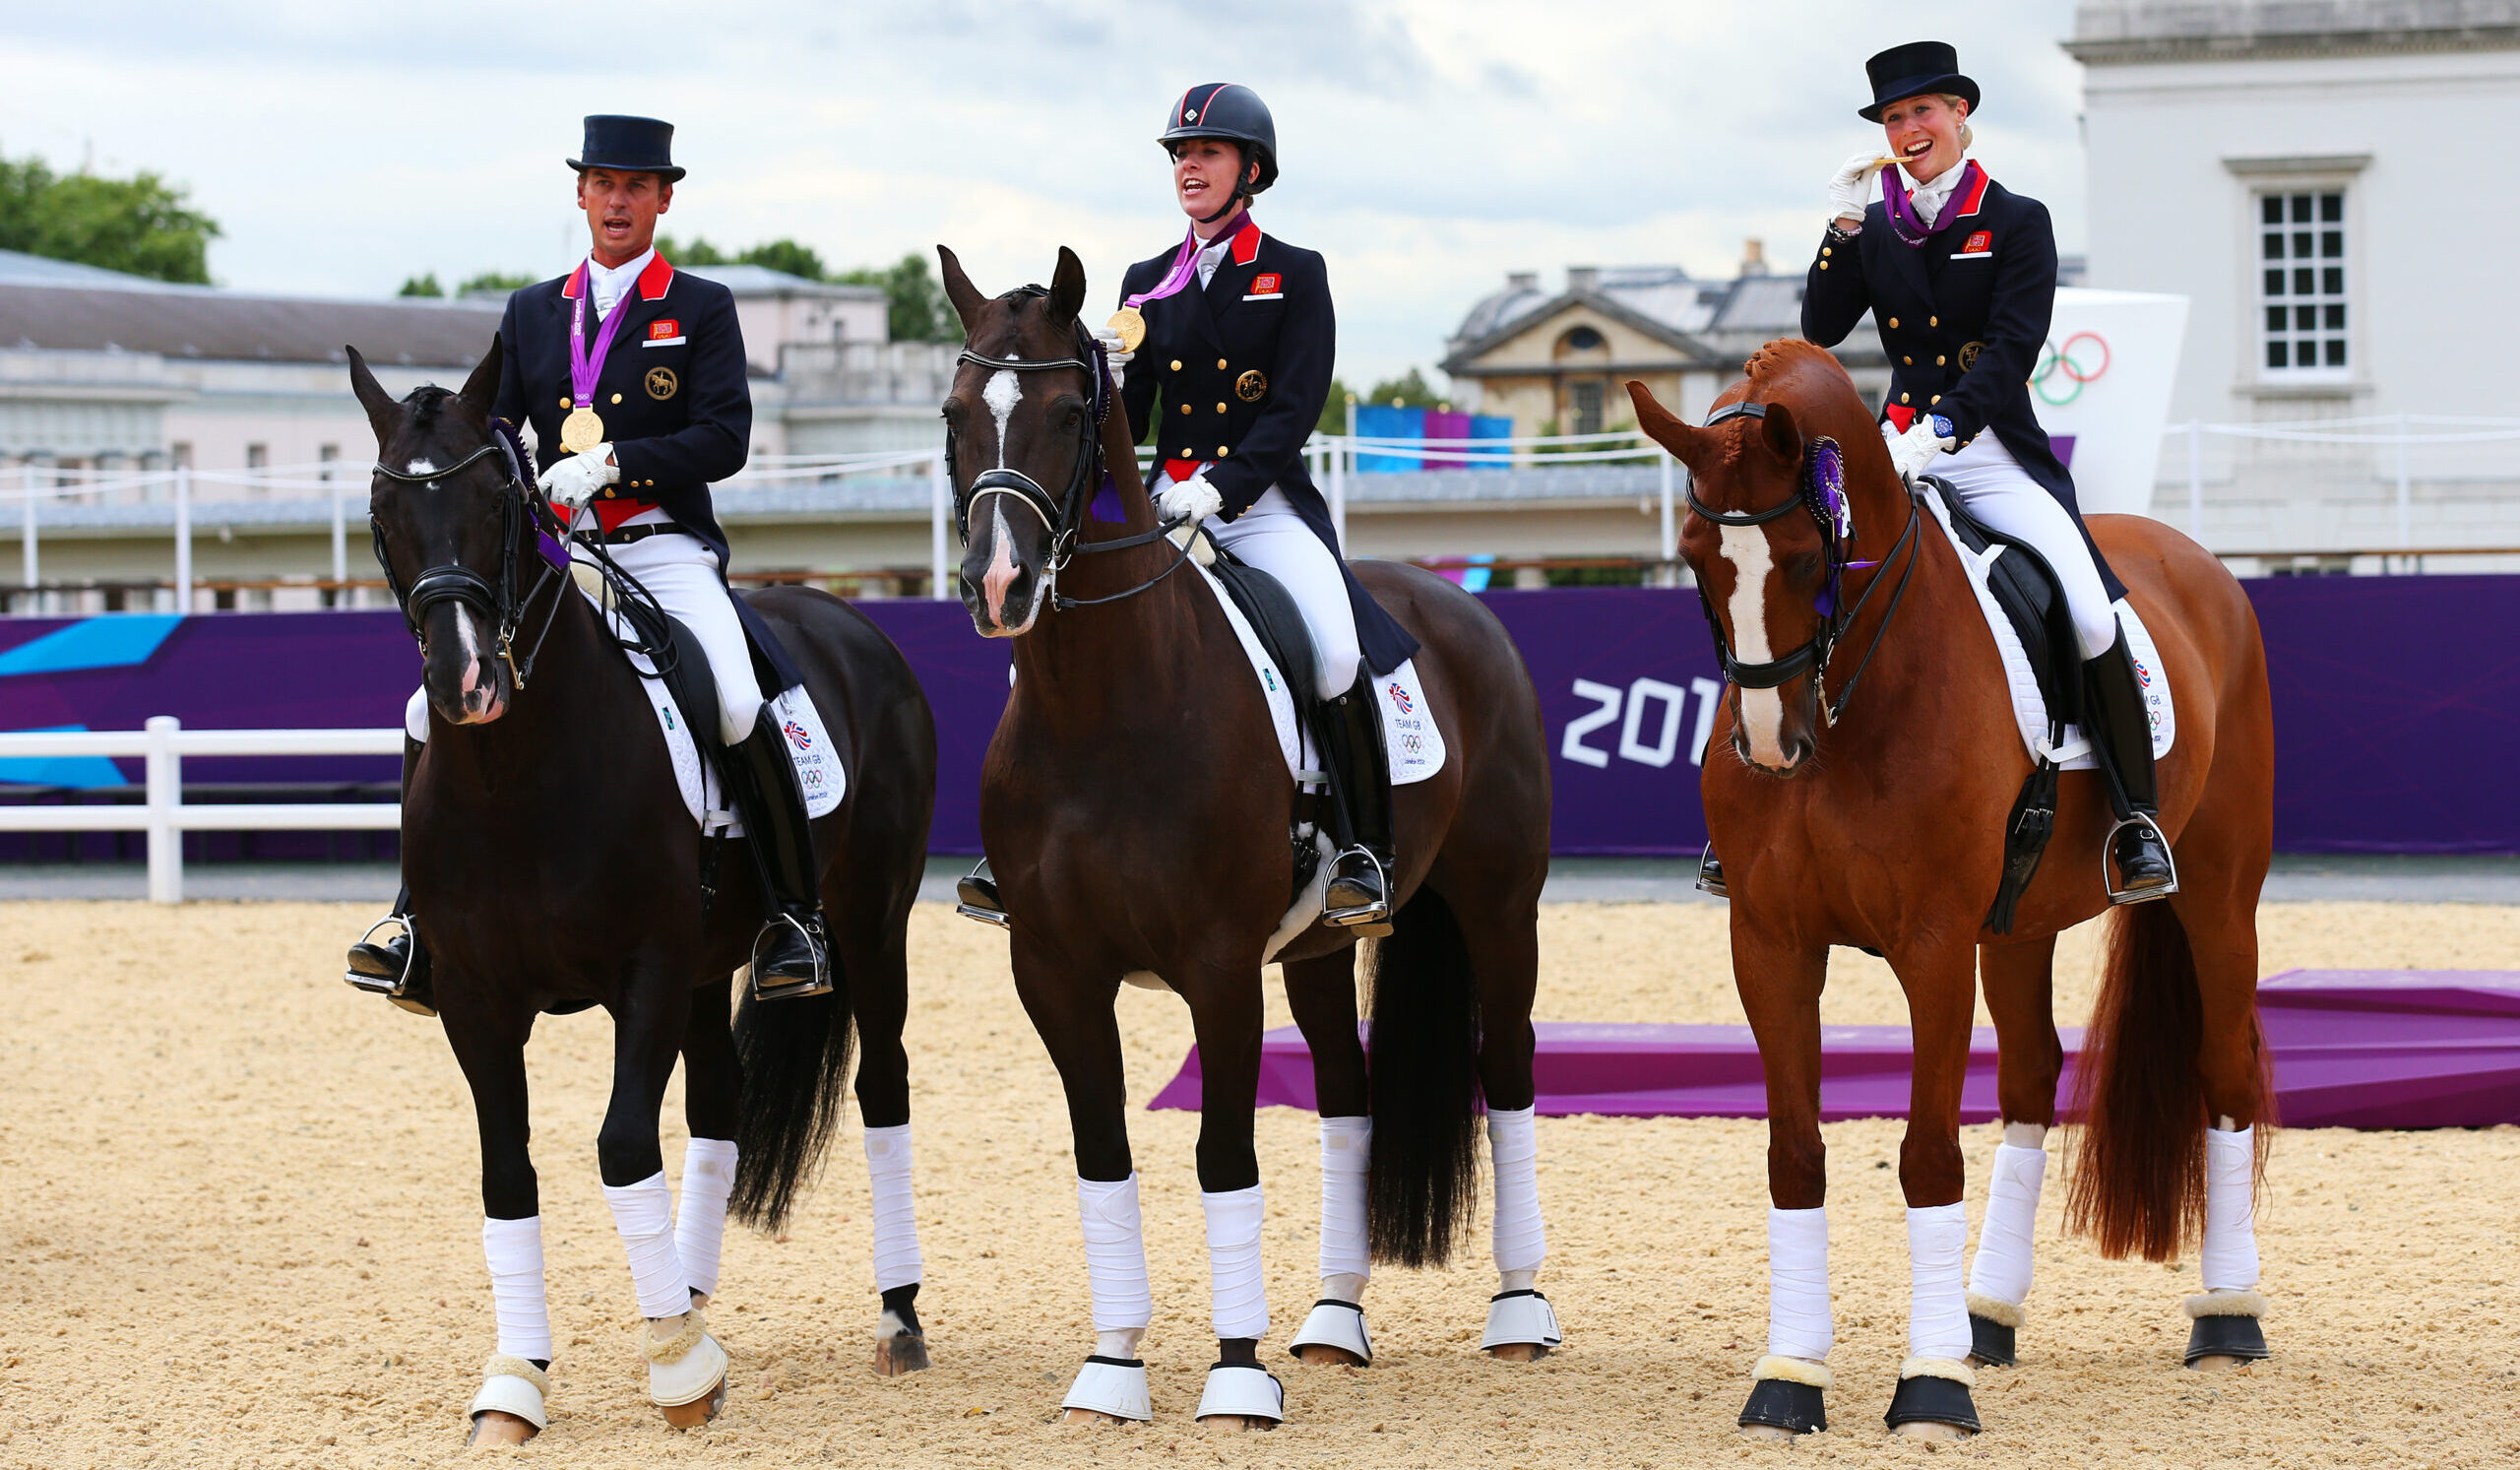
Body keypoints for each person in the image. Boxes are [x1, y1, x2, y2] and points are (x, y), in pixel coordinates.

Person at [346, 114, 832, 1011]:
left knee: (730, 694)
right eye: (603, 183)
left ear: (663, 199)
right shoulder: (533, 310)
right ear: (580, 193)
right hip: (561, 554)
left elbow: (725, 436)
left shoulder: (700, 307)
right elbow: (497, 425)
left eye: (636, 186)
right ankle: (416, 920)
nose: (618, 199)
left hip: (663, 544)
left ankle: (792, 916)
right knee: (428, 703)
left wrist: (615, 463)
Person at [1697, 41, 2174, 907]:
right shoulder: (1878, 225)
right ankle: (1747, 809)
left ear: (1960, 117)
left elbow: (2013, 348)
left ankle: (2134, 820)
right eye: (1893, 118)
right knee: (1783, 575)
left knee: (2088, 608)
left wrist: (1946, 427)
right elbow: (1822, 325)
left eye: (1923, 112)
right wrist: (1842, 230)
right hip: (1889, 452)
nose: (1909, 128)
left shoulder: (2017, 218)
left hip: (1989, 450)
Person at [1094, 83, 1420, 933]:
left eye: (1205, 152)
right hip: (1166, 505)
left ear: (1251, 169)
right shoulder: (1143, 282)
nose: (1187, 166)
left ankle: (1361, 852)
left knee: (1338, 654)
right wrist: (1111, 392)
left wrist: (1222, 485)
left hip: (1261, 505)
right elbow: (1130, 423)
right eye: (1178, 154)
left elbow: (1294, 407)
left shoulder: (1294, 273)